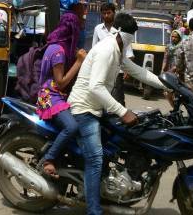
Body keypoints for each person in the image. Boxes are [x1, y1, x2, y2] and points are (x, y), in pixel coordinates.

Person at [68, 13, 165, 215]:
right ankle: (94, 211)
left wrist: (167, 85)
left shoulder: (118, 49)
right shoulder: (107, 50)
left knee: (120, 143)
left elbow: (140, 72)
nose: (131, 39)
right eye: (130, 35)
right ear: (121, 32)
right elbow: (95, 87)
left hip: (98, 108)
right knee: (95, 158)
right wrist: (122, 111)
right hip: (85, 108)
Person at [36, 5, 87, 177]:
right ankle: (49, 158)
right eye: (79, 23)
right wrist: (79, 62)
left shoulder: (56, 45)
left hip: (56, 95)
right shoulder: (58, 51)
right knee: (71, 127)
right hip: (50, 96)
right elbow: (61, 82)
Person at [92, 2, 131, 106]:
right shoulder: (98, 29)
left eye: (108, 13)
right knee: (101, 98)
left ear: (114, 13)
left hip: (118, 70)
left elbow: (128, 51)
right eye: (104, 13)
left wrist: (128, 69)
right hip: (101, 68)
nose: (106, 16)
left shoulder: (121, 29)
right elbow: (94, 49)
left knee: (117, 98)